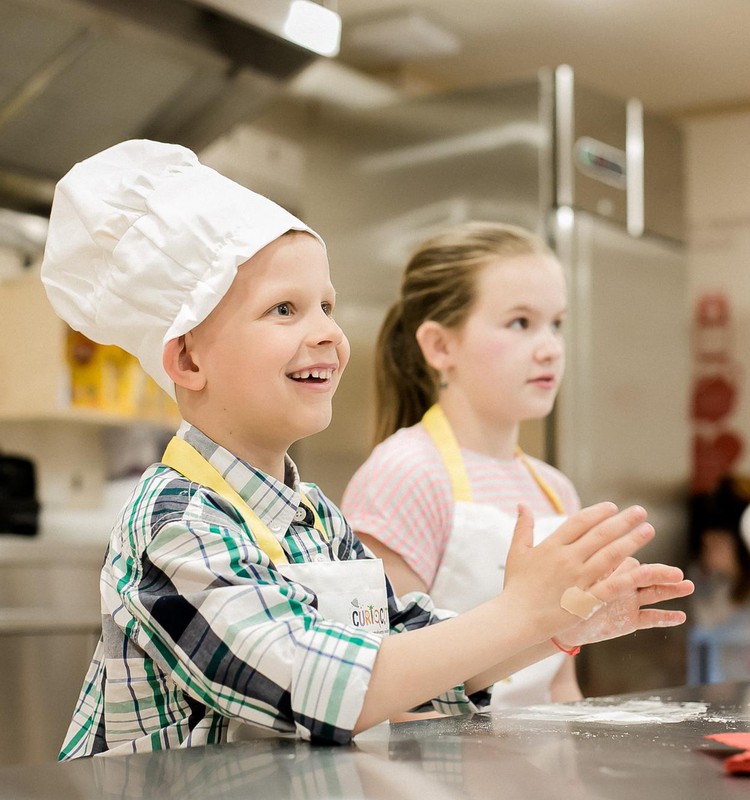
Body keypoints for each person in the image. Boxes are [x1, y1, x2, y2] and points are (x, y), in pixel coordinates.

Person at [41, 140, 693, 760]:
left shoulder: (314, 518)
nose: (328, 332)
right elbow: (322, 689)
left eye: (327, 305)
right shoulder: (177, 522)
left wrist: (552, 626)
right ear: (187, 358)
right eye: (285, 310)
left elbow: (415, 657)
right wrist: (518, 611)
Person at [341, 222, 583, 707]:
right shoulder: (404, 476)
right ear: (440, 346)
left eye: (556, 323)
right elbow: (393, 696)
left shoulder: (557, 491)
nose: (550, 348)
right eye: (520, 323)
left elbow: (560, 684)